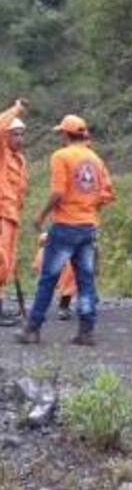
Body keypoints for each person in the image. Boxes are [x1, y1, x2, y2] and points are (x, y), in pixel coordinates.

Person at [18, 115, 115, 345]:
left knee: (48, 278)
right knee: (86, 280)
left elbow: (58, 192)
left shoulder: (61, 156)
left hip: (65, 226)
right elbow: (108, 193)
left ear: (64, 134)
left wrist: (41, 216)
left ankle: (32, 328)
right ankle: (86, 331)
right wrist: (90, 207)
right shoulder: (95, 159)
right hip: (88, 226)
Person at [0, 99, 28, 327]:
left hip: (11, 216)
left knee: (6, 263)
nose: (19, 138)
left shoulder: (21, 160)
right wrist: (16, 108)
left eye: (22, 134)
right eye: (15, 134)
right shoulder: (2, 156)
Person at [33, 233, 76, 321]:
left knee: (44, 286)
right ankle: (63, 308)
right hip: (62, 262)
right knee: (68, 286)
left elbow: (36, 267)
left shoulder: (41, 251)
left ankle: (38, 311)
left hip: (48, 264)